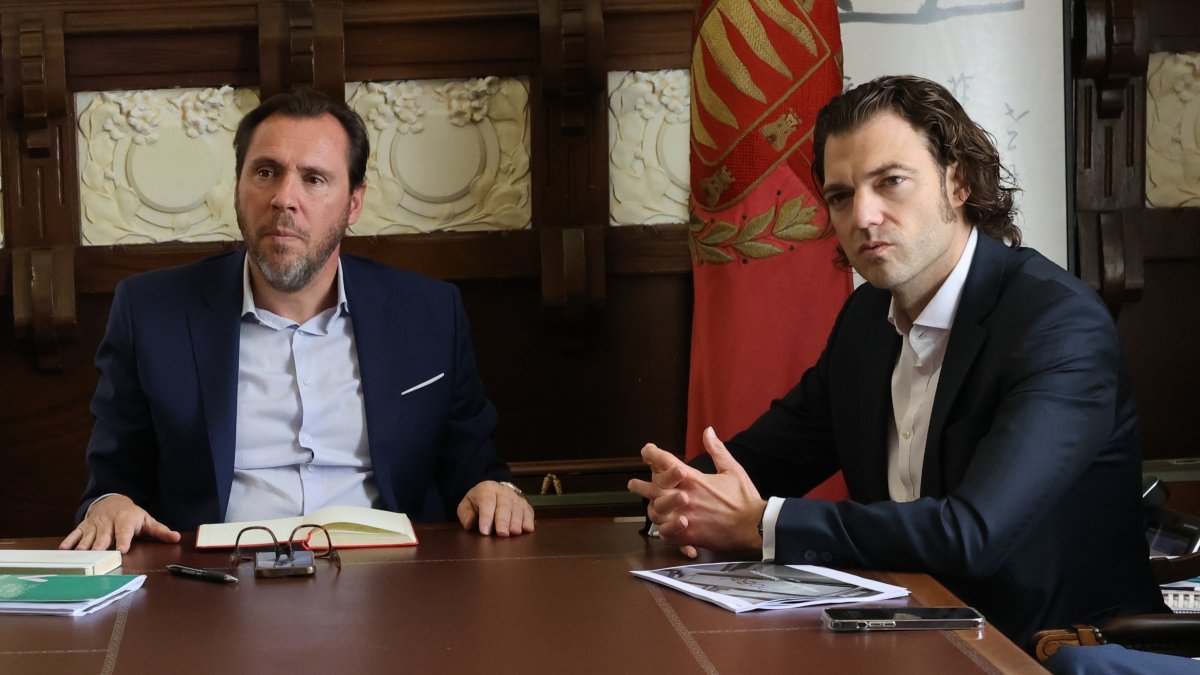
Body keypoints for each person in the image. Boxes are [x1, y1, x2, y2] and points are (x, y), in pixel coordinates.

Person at [628, 75, 1166, 647]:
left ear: (958, 182)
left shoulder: (1059, 324)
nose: (863, 216)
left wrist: (763, 524)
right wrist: (681, 496)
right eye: (840, 196)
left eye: (890, 182)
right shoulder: (867, 318)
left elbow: (973, 534)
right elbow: (766, 456)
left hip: (1053, 649)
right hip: (907, 636)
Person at [61, 89, 533, 553]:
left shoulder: (429, 312)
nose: (284, 199)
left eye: (314, 179)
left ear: (353, 203)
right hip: (216, 587)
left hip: (391, 581)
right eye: (266, 172)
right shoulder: (150, 312)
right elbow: (113, 477)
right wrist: (110, 503)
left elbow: (473, 463)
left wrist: (493, 491)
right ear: (237, 187)